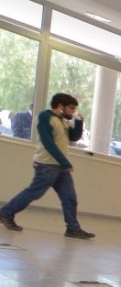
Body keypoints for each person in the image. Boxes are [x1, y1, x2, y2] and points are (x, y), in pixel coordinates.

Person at [1, 93, 95, 239]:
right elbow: (47, 142)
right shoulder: (46, 117)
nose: (73, 111)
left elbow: (74, 137)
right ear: (60, 106)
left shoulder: (62, 120)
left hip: (60, 168)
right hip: (46, 166)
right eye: (71, 108)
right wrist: (65, 162)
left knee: (70, 197)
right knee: (34, 193)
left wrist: (79, 122)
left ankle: (72, 229)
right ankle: (5, 214)